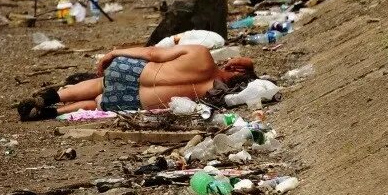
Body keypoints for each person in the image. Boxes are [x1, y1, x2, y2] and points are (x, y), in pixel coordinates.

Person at [18, 46, 256, 118]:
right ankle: (51, 113)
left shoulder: (201, 55)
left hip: (139, 72)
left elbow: (154, 54)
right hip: (140, 99)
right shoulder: (215, 93)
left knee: (101, 84)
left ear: (234, 67)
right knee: (98, 101)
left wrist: (114, 52)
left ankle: (51, 98)